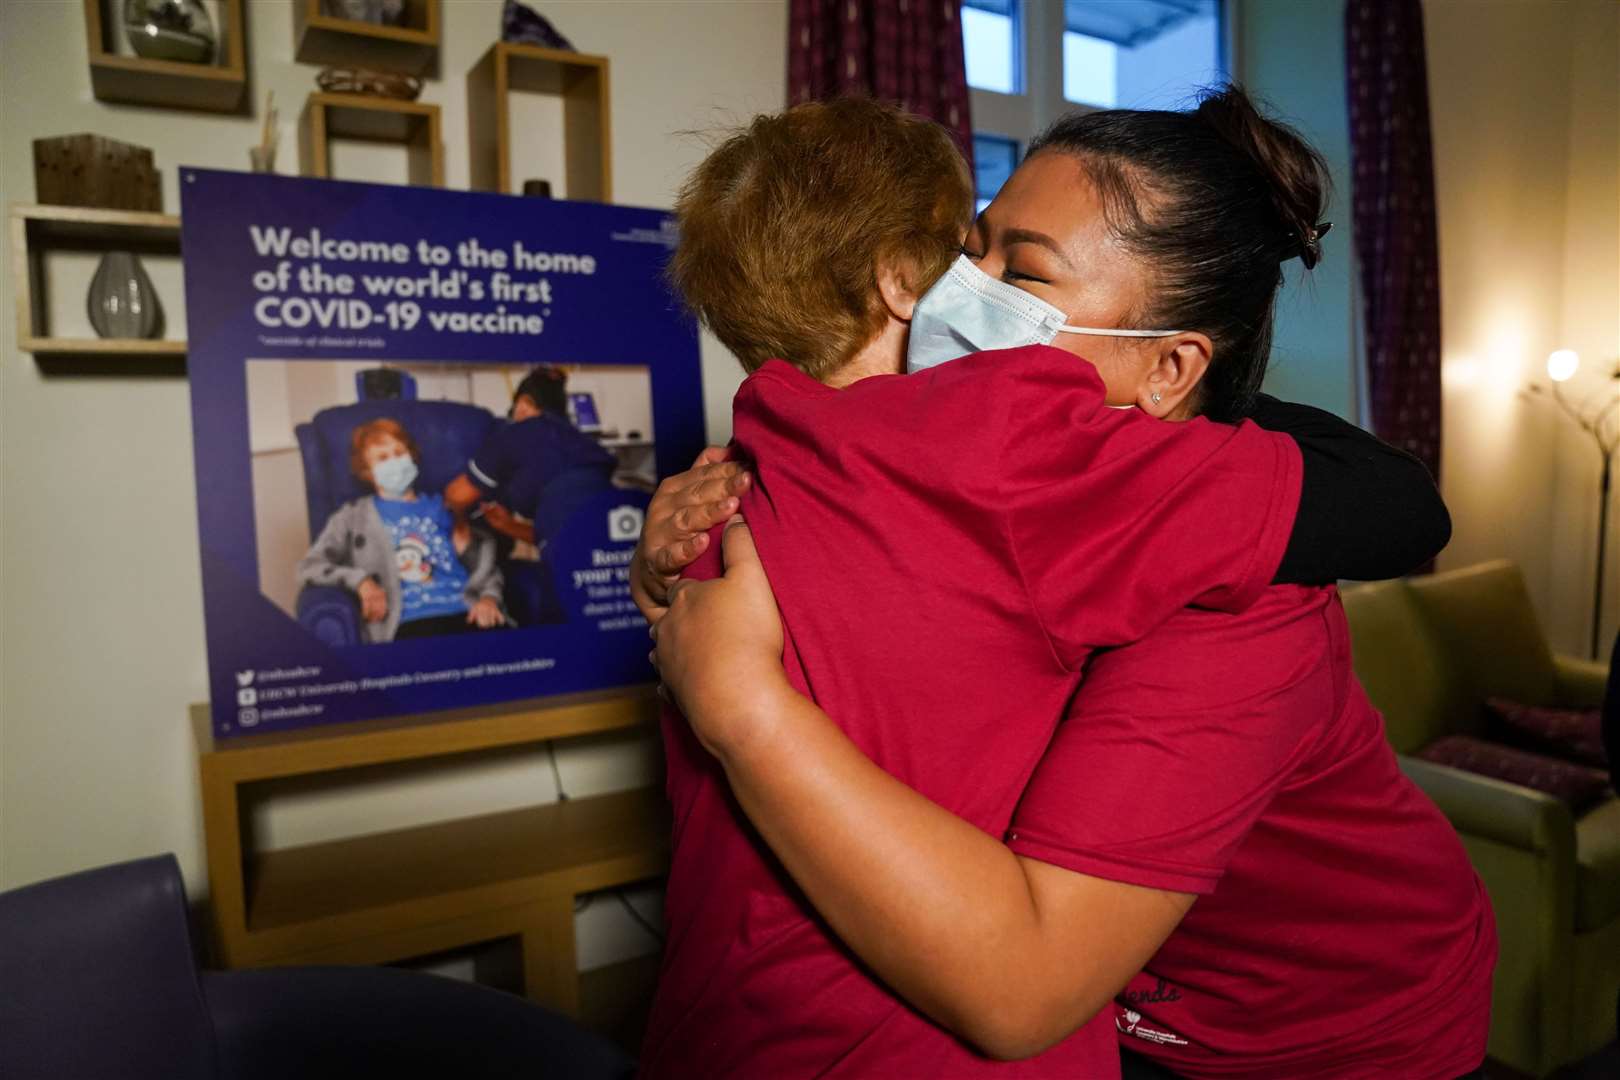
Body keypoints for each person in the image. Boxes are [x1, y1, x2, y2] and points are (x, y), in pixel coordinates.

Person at [640, 91, 1492, 1079]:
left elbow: (1023, 987)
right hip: (1104, 999)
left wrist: (739, 703)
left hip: (1321, 1036)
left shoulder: (1244, 602)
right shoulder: (930, 469)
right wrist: (675, 548)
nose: (958, 290)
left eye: (1024, 273)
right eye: (977, 250)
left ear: (1170, 369)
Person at [299, 417, 505, 642]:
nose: (394, 462)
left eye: (399, 453)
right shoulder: (352, 517)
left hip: (468, 612)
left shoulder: (443, 506)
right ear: (367, 471)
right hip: (410, 623)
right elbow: (310, 566)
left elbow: (484, 566)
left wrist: (489, 598)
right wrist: (361, 582)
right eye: (383, 458)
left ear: (412, 457)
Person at [444, 365, 618, 546]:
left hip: (573, 556)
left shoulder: (514, 433)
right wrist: (508, 525)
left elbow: (458, 496)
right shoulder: (586, 443)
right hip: (613, 547)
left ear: (524, 403)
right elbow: (565, 533)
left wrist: (457, 521)